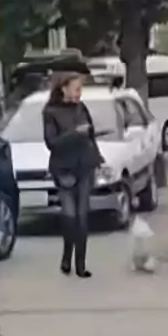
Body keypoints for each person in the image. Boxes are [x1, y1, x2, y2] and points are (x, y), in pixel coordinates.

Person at [42, 71, 103, 277]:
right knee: (69, 216)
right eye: (76, 89)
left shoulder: (82, 108)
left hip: (85, 165)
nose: (79, 94)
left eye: (80, 90)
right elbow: (52, 143)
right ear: (64, 88)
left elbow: (91, 135)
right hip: (64, 168)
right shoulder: (50, 112)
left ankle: (81, 265)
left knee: (82, 216)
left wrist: (97, 157)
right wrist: (75, 134)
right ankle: (67, 255)